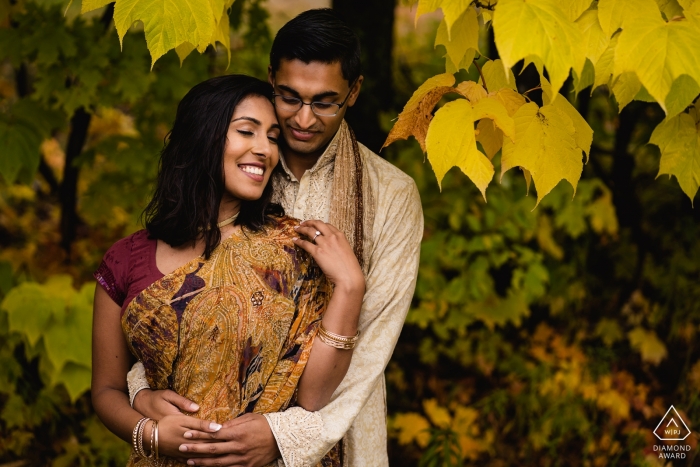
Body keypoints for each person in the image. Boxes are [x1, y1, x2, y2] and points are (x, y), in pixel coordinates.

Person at [128, 8, 424, 467]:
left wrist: (286, 435)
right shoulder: (239, 162)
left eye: (325, 101)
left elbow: (370, 349)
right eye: (288, 97)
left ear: (355, 91)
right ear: (270, 79)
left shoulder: (390, 195)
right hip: (207, 430)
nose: (303, 119)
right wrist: (141, 393)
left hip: (339, 436)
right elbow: (170, 296)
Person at [91, 75, 366, 467]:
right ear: (203, 136)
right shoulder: (125, 260)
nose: (265, 150)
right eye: (246, 131)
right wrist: (149, 434)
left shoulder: (293, 249)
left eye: (272, 137)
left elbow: (313, 397)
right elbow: (105, 390)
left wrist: (350, 286)